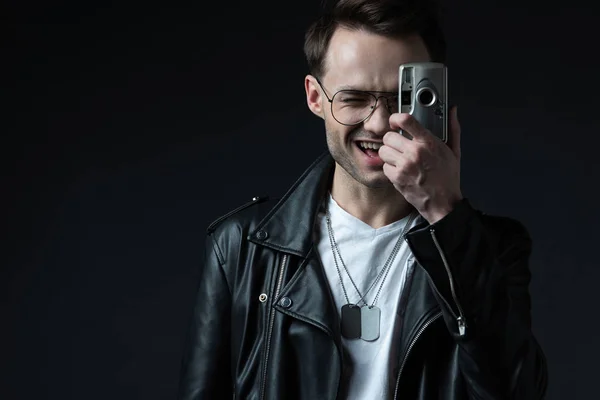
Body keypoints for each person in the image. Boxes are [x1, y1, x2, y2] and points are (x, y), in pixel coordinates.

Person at [177, 0, 548, 398]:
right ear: (315, 98)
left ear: (434, 99)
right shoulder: (241, 246)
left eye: (400, 99)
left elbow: (515, 392)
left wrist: (445, 215)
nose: (377, 123)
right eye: (353, 99)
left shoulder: (491, 247)